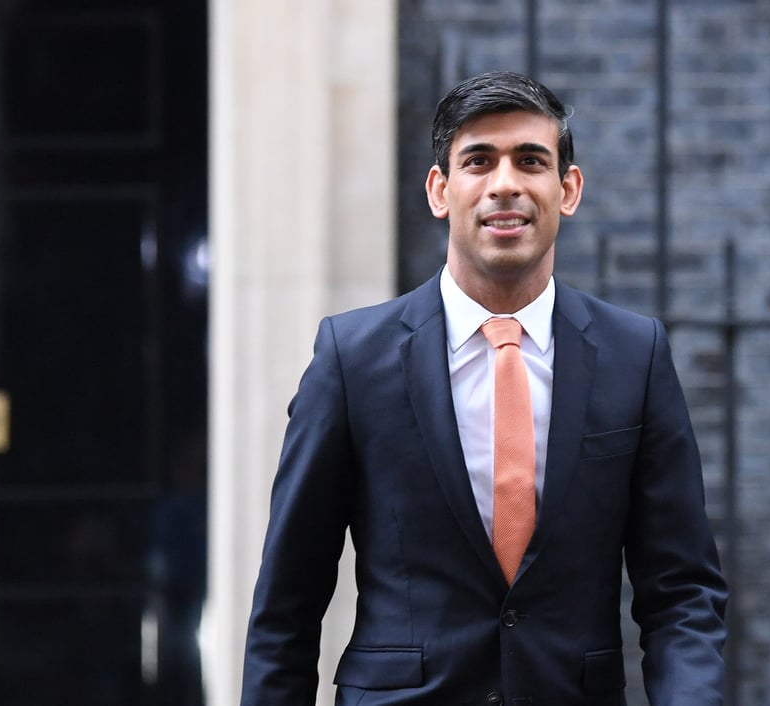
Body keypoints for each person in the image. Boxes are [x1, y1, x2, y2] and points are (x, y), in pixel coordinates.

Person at [240, 71, 727, 705]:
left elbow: (682, 595)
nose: (505, 184)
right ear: (441, 190)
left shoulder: (635, 357)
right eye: (478, 161)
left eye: (531, 161)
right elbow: (287, 605)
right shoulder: (352, 359)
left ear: (568, 189)